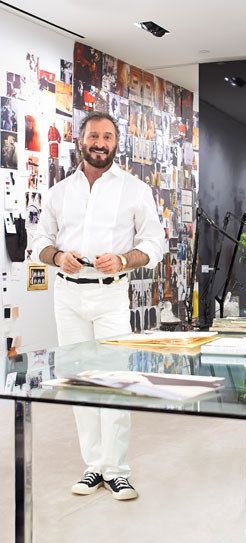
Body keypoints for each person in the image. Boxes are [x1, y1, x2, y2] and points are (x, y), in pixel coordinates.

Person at [32, 111, 164, 500]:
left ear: (116, 142)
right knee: (80, 381)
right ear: (81, 140)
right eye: (94, 135)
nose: (100, 143)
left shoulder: (135, 189)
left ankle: (117, 470)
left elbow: (155, 244)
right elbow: (40, 241)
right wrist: (57, 258)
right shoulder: (59, 191)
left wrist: (124, 259)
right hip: (67, 295)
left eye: (107, 136)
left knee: (115, 381)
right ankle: (93, 466)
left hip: (111, 295)